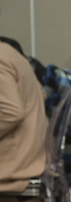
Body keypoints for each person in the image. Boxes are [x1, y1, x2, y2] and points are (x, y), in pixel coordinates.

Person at [0, 41, 47, 192]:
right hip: (35, 154)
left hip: (15, 163)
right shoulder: (10, 52)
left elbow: (11, 112)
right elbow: (42, 94)